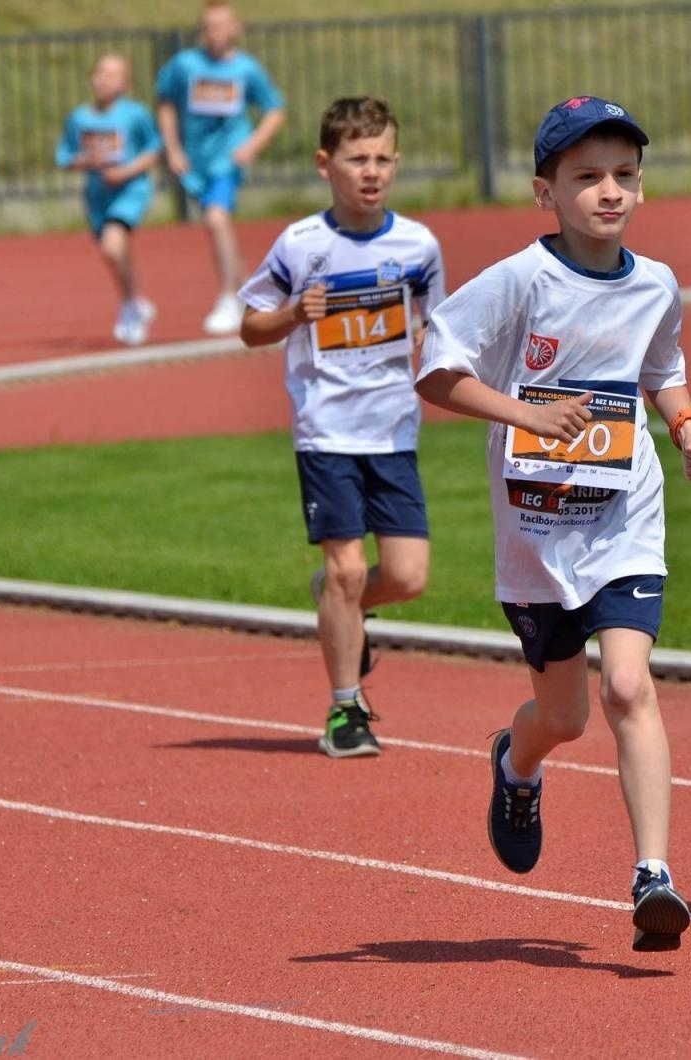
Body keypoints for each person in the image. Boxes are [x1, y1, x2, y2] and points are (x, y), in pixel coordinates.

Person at [416, 96, 691, 952]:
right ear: (546, 190)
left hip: (624, 514)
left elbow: (664, 368)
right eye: (587, 177)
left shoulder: (656, 282)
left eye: (624, 175)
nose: (608, 191)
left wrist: (687, 423)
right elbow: (436, 373)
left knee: (627, 686)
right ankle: (518, 762)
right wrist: (524, 416)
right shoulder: (521, 280)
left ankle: (653, 873)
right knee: (566, 716)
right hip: (537, 533)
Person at [237, 97, 444, 759]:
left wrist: (422, 334)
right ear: (326, 165)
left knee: (407, 577)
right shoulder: (301, 244)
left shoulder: (418, 245)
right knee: (348, 570)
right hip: (326, 429)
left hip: (392, 431)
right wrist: (296, 312)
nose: (372, 171)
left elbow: (439, 325)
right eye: (358, 159)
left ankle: (342, 607)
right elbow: (250, 326)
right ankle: (344, 709)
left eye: (383, 158)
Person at [156, 0, 285, 336]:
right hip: (194, 161)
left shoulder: (246, 69)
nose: (215, 33)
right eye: (209, 26)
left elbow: (275, 109)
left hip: (227, 160)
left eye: (222, 25)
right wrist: (172, 149)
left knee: (216, 219)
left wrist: (252, 145)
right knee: (216, 226)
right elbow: (166, 104)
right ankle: (252, 296)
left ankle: (229, 296)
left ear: (235, 28)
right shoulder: (184, 65)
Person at [57, 53, 161, 347]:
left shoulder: (136, 114)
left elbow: (154, 149)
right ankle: (135, 301)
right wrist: (84, 161)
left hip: (130, 190)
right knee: (115, 254)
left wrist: (126, 171)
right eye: (101, 72)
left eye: (114, 75)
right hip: (97, 195)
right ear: (92, 77)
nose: (105, 80)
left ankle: (130, 308)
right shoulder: (80, 118)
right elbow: (65, 156)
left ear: (126, 83)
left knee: (112, 246)